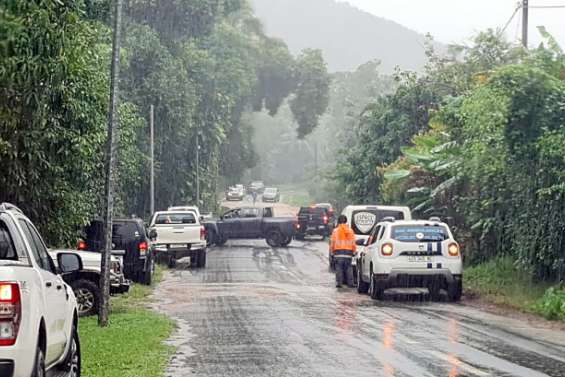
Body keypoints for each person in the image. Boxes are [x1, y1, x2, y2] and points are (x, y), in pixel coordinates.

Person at [330, 215, 357, 288]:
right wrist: (354, 251)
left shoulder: (335, 231)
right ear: (346, 221)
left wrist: (332, 252)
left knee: (339, 268)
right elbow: (353, 242)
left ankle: (339, 283)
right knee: (349, 268)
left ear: (338, 221)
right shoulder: (350, 230)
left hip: (338, 252)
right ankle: (350, 283)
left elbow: (332, 242)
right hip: (348, 252)